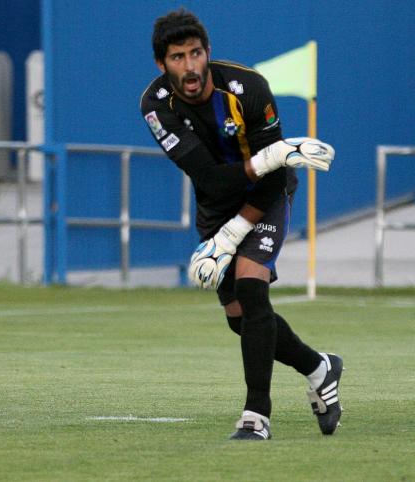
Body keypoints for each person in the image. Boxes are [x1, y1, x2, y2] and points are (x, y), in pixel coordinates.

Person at [140, 8, 343, 440]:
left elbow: (273, 174)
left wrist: (236, 234)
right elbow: (210, 179)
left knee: (252, 290)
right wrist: (226, 231)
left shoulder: (248, 88)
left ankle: (256, 416)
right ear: (162, 64)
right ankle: (318, 367)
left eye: (196, 53)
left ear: (207, 53)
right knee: (240, 318)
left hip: (268, 194)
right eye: (178, 57)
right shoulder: (156, 106)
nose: (190, 65)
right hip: (216, 202)